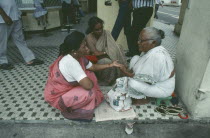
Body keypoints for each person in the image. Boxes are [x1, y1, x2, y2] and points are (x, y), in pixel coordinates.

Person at [44, 31, 123, 121]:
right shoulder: (71, 62)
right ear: (74, 51)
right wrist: (85, 77)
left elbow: (92, 66)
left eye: (86, 45)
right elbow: (88, 85)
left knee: (90, 74)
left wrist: (110, 65)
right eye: (83, 47)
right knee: (90, 93)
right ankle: (70, 110)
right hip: (59, 96)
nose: (87, 49)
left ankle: (77, 101)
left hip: (68, 88)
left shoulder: (76, 56)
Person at [119, 27, 175, 104]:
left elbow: (148, 81)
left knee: (132, 83)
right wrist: (128, 72)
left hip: (162, 88)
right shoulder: (151, 50)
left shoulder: (157, 56)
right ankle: (140, 94)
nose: (138, 42)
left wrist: (125, 72)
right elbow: (140, 65)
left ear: (154, 42)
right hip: (155, 81)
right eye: (138, 39)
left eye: (141, 41)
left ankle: (142, 99)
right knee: (135, 58)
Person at [0, 0, 44, 70]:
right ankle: (2, 62)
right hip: (3, 19)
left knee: (20, 39)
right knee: (2, 41)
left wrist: (18, 14)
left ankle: (29, 58)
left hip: (15, 16)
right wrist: (5, 17)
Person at [85, 16, 127, 85]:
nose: (100, 31)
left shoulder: (106, 33)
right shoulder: (89, 38)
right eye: (97, 29)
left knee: (119, 47)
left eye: (101, 28)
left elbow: (112, 45)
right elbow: (96, 53)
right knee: (106, 61)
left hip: (108, 55)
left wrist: (110, 52)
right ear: (92, 29)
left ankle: (122, 70)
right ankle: (107, 80)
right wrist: (107, 52)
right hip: (98, 59)